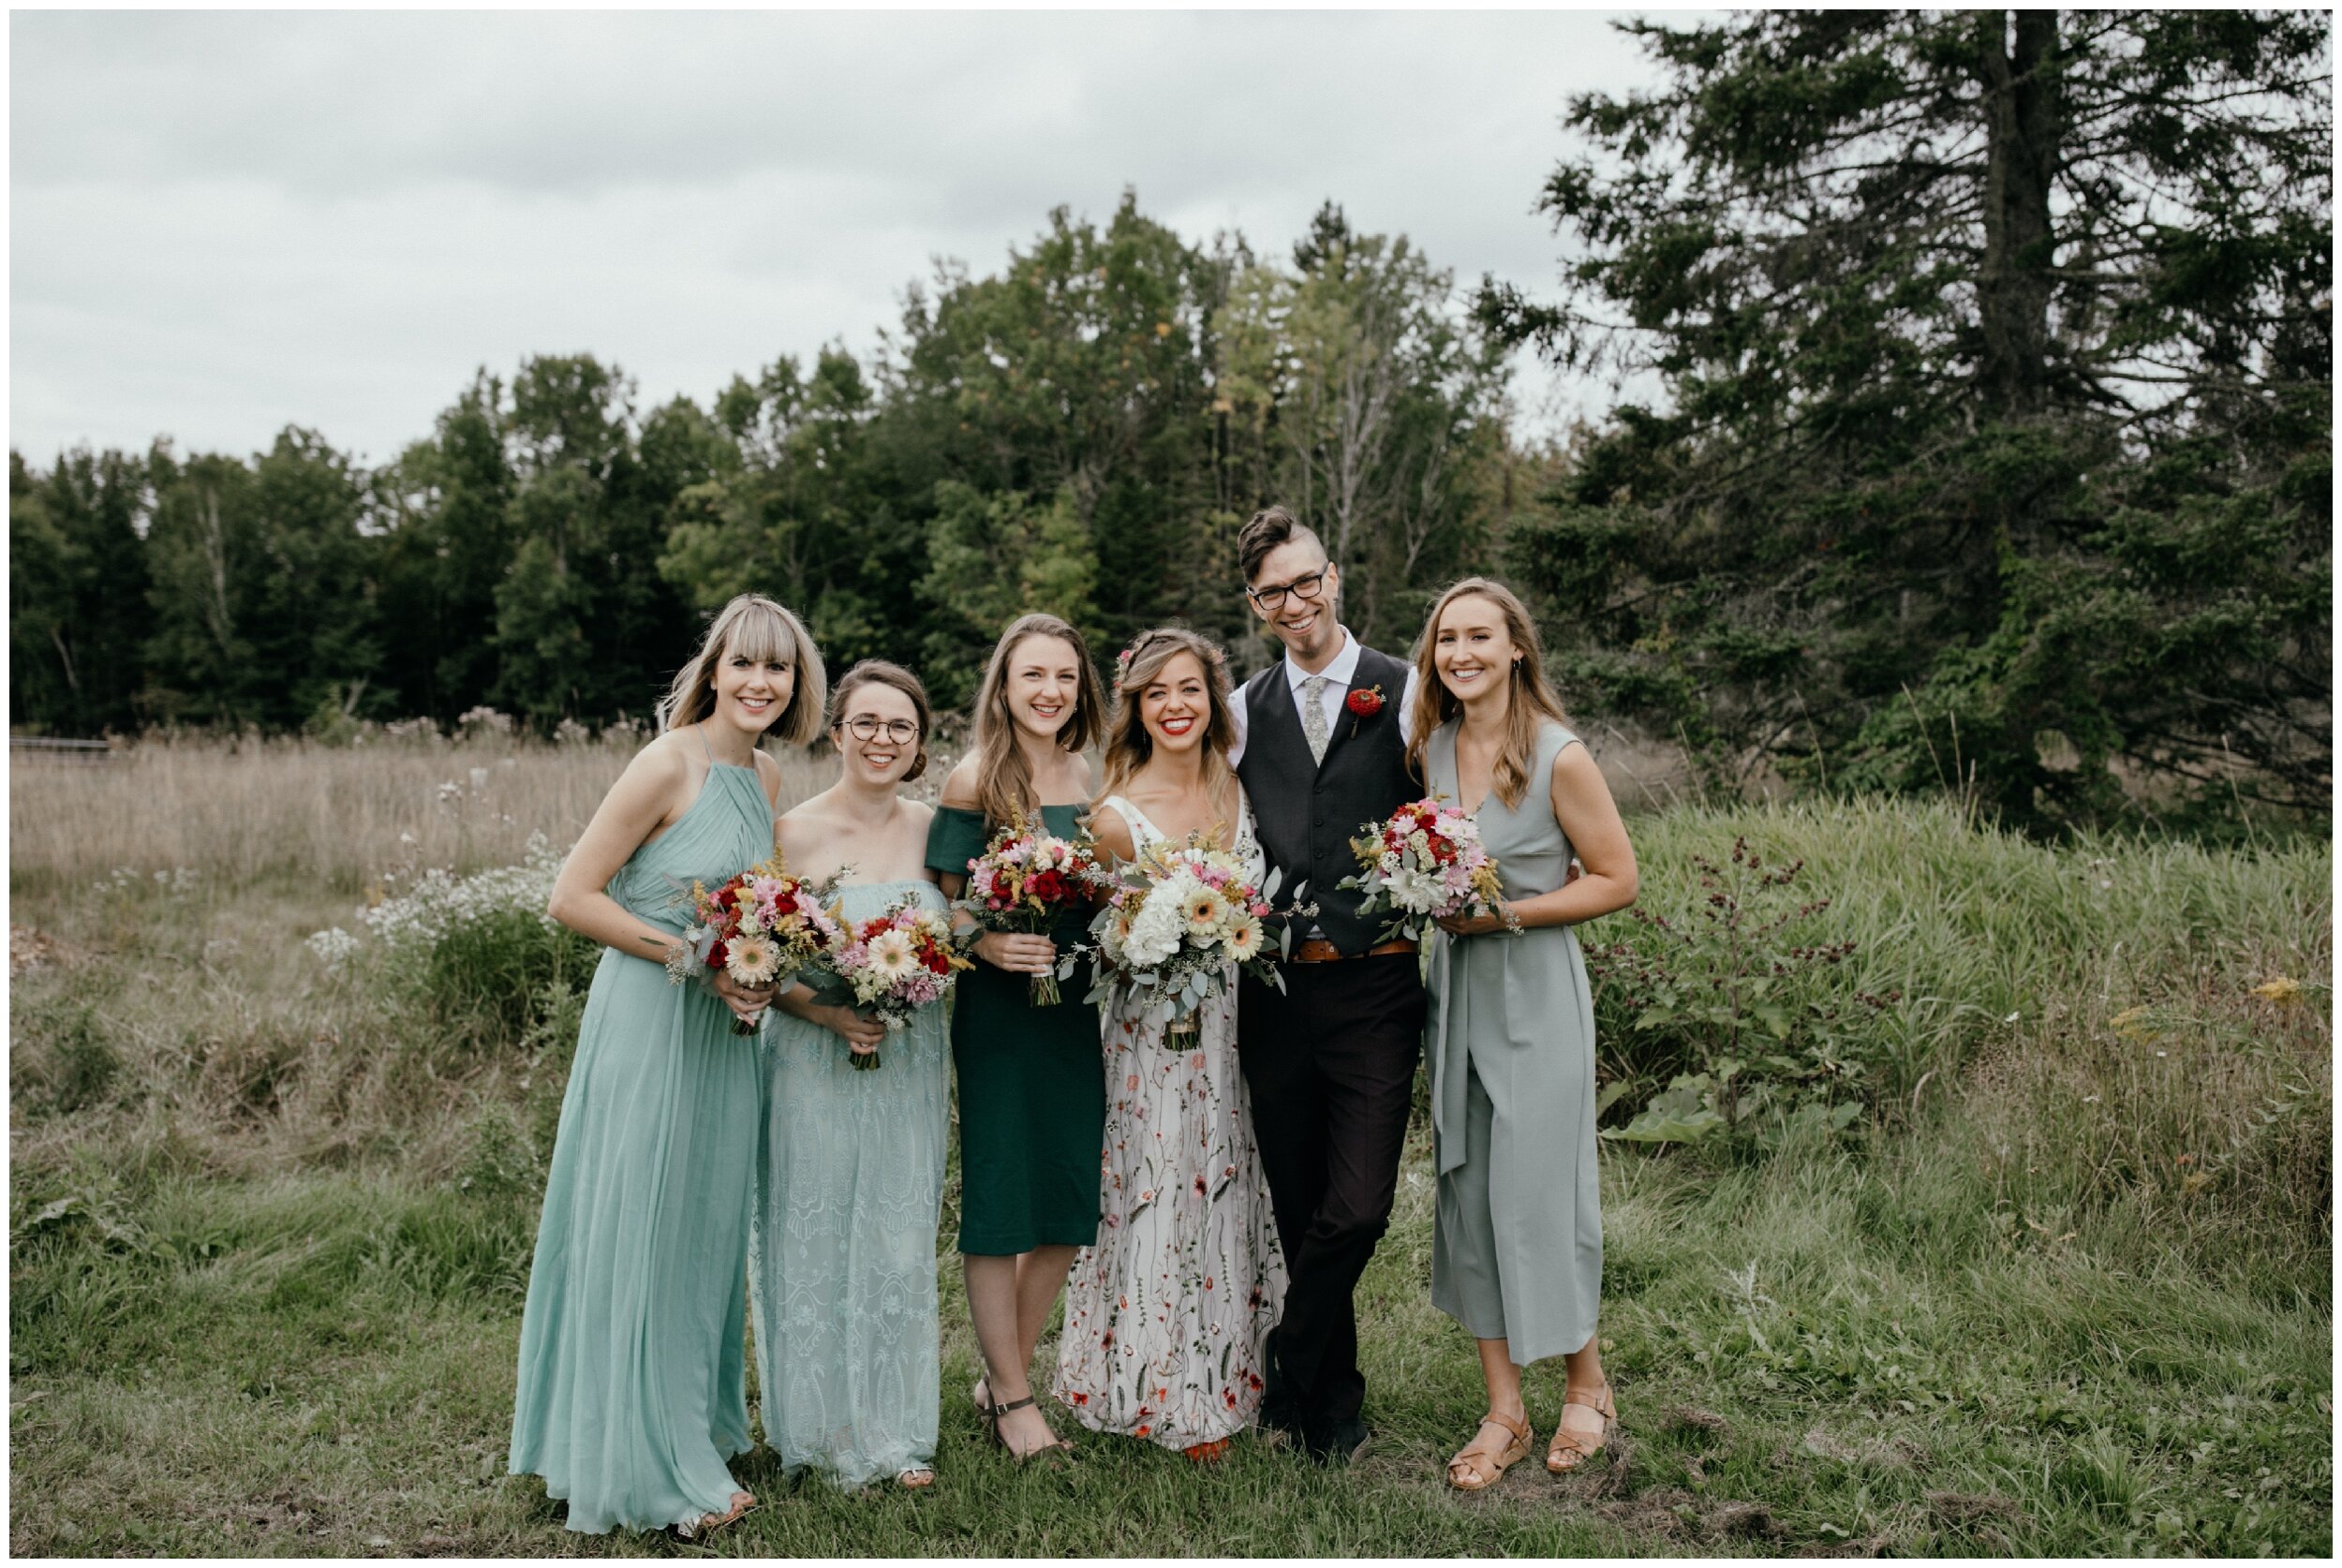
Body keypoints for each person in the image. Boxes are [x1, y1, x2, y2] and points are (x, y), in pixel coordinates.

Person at [509, 593, 825, 1537]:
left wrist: (762, 974)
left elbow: (752, 914)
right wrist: (695, 958)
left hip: (724, 1035)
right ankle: (636, 1465)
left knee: (699, 1226)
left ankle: (686, 1426)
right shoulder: (664, 763)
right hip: (650, 1019)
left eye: (780, 668)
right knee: (639, 1221)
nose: (761, 682)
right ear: (714, 669)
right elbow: (570, 896)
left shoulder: (765, 779)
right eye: (746, 663)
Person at [1410, 577, 1638, 1490]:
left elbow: (1616, 879)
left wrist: (1507, 916)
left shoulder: (1558, 755)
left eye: (1477, 637)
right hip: (1457, 992)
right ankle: (1503, 1406)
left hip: (1535, 989)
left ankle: (1588, 1382)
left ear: (1515, 649)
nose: (1459, 653)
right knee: (1467, 1191)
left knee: (1538, 1192)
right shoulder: (1428, 751)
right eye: (1444, 640)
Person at [1052, 628, 1287, 1462]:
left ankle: (1233, 1371)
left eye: (1189, 689)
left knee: (1224, 1181)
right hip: (1151, 1035)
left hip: (1230, 1033)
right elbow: (1099, 935)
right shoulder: (1114, 818)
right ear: (1137, 709)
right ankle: (1160, 1387)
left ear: (1213, 699)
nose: (1175, 706)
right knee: (1157, 1187)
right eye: (1156, 693)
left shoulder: (1237, 786)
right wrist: (1143, 945)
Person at [1224, 506, 1422, 1465]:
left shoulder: (1407, 690)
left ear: (1334, 576)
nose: (1296, 602)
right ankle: (1328, 1407)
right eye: (1274, 592)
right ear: (1256, 606)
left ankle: (1286, 1357)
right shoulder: (1237, 709)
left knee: (1359, 1206)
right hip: (1273, 993)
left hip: (1376, 984)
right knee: (1300, 1203)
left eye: (1308, 581)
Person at [752, 661, 950, 1490]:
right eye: (866, 723)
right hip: (811, 1055)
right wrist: (828, 1011)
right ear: (836, 733)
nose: (882, 740)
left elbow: (961, 936)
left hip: (911, 1061)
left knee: (900, 1241)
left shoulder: (938, 830)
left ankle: (896, 1431)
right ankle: (818, 1431)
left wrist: (925, 978)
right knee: (814, 1230)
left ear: (918, 745)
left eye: (899, 727)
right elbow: (756, 956)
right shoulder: (789, 832)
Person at [924, 614, 1109, 1462]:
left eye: (1065, 676)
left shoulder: (1098, 776)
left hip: (1075, 1008)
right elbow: (943, 905)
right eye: (1033, 675)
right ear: (1003, 685)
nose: (1050, 692)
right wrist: (988, 943)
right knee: (1004, 1199)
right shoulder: (976, 779)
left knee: (1069, 1201)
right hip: (1000, 1014)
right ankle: (1014, 1398)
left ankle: (1004, 1376)